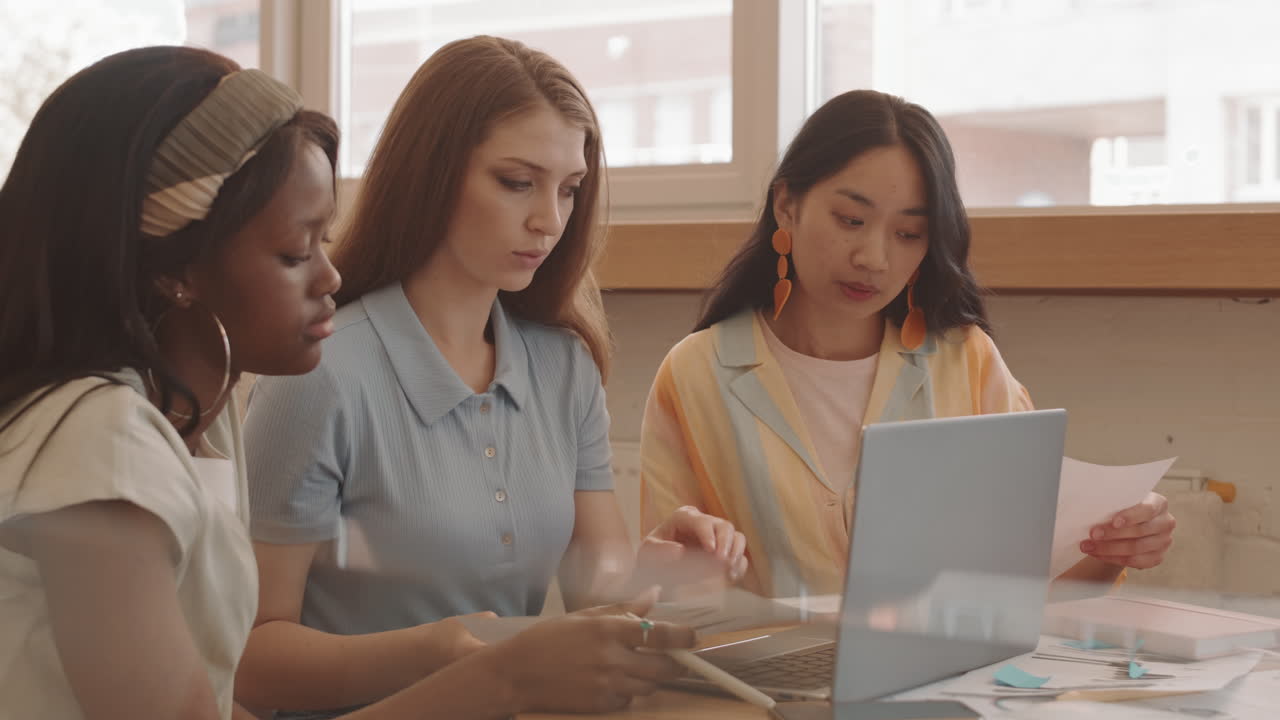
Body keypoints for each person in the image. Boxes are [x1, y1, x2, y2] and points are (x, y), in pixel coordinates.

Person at [0, 45, 694, 720]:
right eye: (297, 251)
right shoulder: (104, 445)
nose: (329, 278)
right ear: (173, 271)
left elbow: (218, 696)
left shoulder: (192, 418)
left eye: (570, 189)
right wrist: (488, 675)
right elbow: (247, 669)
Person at [237, 35, 744, 718]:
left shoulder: (564, 367)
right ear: (433, 174)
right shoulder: (319, 377)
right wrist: (447, 653)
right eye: (516, 182)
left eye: (568, 190)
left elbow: (601, 599)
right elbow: (252, 660)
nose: (550, 220)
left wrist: (665, 572)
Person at [639, 89, 1176, 599]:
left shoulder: (968, 361)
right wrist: (674, 574)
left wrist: (1114, 548)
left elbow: (1030, 600)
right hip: (759, 687)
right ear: (787, 206)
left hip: (944, 681)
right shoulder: (695, 374)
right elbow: (665, 596)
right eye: (851, 220)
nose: (873, 257)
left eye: (908, 234)